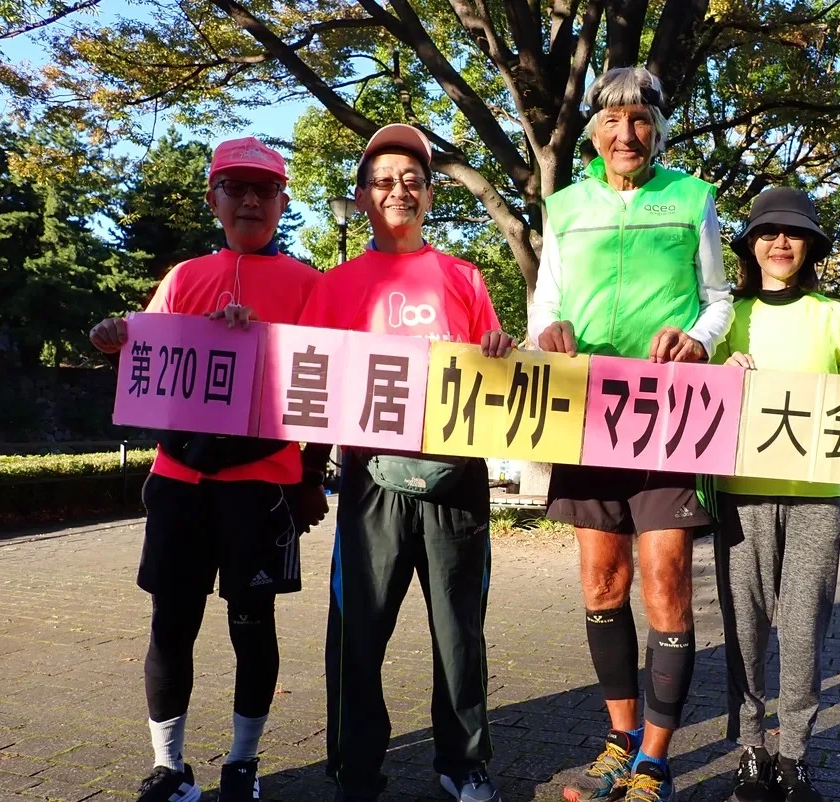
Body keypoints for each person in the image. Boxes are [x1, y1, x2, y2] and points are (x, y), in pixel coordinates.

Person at [88, 137, 328, 802]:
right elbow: (152, 370)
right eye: (235, 187)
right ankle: (169, 765)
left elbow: (329, 389)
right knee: (172, 624)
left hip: (261, 486)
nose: (250, 200)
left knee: (252, 625)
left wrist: (310, 476)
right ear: (213, 198)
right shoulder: (184, 276)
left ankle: (243, 763)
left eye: (264, 189)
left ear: (283, 201)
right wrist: (115, 342)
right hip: (179, 481)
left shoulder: (311, 285)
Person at [528, 66, 734, 802]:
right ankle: (618, 739)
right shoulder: (564, 206)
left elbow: (718, 300)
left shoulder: (692, 199)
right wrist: (543, 331)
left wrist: (701, 343)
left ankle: (655, 756)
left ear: (657, 128)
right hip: (586, 415)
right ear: (593, 132)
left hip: (670, 418)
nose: (626, 133)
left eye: (640, 119)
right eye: (612, 120)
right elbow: (544, 301)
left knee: (666, 583)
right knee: (600, 584)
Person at [298, 124, 513, 802]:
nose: (400, 190)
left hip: (457, 480)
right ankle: (355, 769)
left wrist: (502, 351)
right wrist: (306, 477)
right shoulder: (333, 287)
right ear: (361, 196)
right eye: (384, 180)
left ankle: (463, 761)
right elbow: (306, 387)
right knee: (356, 633)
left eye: (414, 180)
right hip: (369, 481)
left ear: (429, 198)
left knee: (459, 633)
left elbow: (496, 374)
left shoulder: (464, 276)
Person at [710, 187, 840, 802]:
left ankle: (793, 754)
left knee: (801, 630)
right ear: (749, 245)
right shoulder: (723, 316)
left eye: (793, 234)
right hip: (739, 498)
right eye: (767, 232)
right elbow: (694, 399)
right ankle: (750, 751)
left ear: (811, 246)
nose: (779, 242)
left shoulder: (835, 316)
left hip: (815, 499)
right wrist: (719, 370)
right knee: (742, 629)